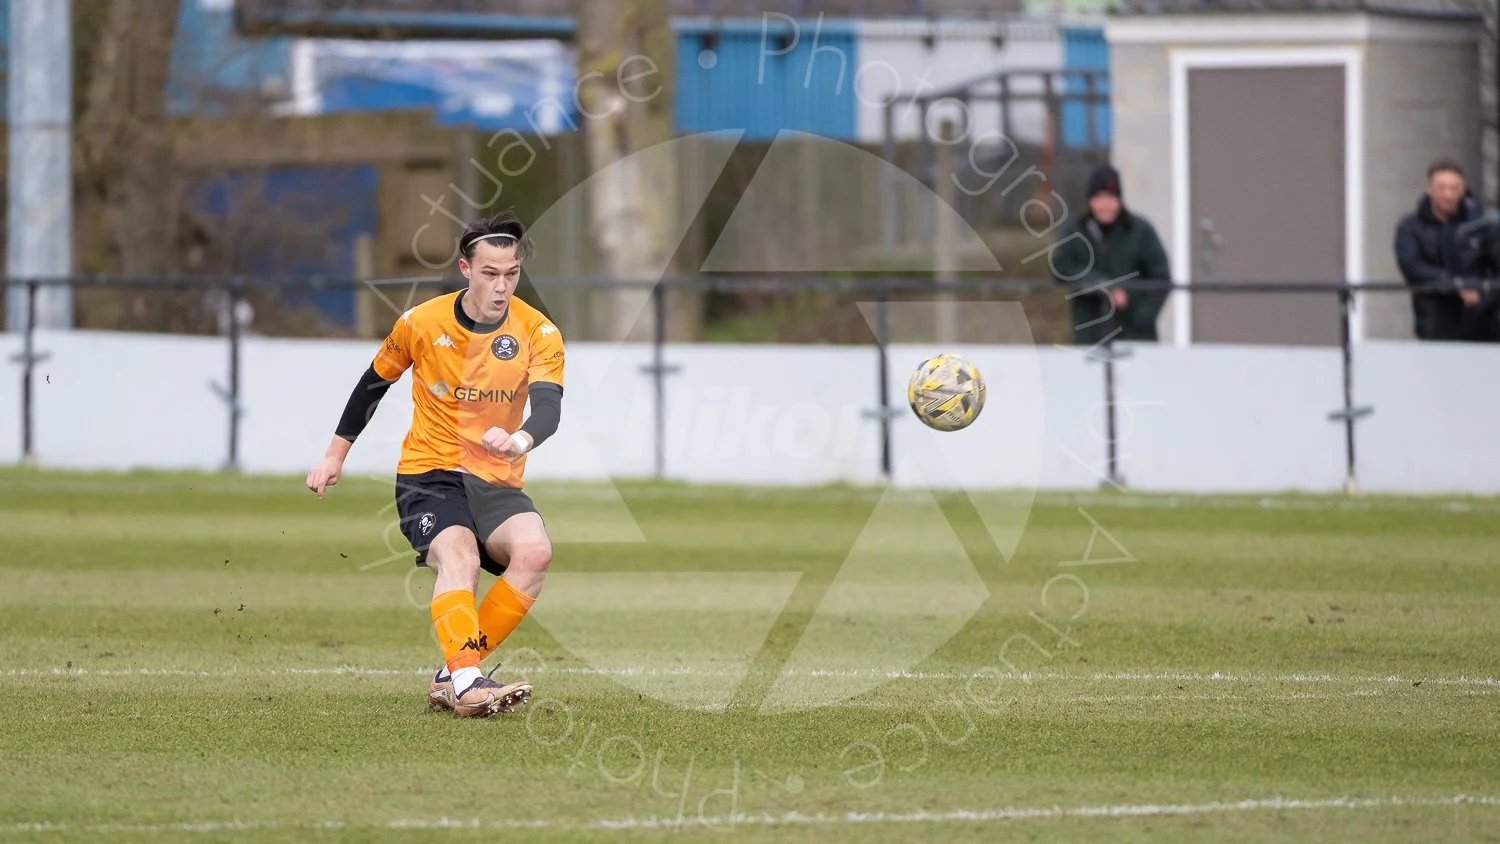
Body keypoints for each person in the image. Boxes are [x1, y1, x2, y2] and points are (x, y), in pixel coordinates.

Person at [305, 210, 564, 719]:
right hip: (430, 474)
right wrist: (335, 456)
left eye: (511, 273)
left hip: (496, 478)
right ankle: (468, 683)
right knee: (459, 556)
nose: (502, 286)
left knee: (535, 554)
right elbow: (372, 386)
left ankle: (454, 674)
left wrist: (519, 440)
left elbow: (549, 408)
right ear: (466, 269)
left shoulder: (539, 331)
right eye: (490, 273)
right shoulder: (421, 323)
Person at [1050, 165, 1172, 346]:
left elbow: (1161, 279)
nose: (1104, 205)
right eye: (1098, 198)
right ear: (1090, 200)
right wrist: (1101, 285)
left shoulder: (1141, 231)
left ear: (1119, 199)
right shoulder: (1075, 231)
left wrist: (1138, 314)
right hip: (1090, 335)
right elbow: (1060, 269)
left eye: (1110, 197)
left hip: (1136, 338)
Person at [1394, 158, 1498, 342]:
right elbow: (1412, 267)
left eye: (1454, 188)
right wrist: (1455, 284)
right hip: (1434, 323)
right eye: (1441, 188)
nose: (1448, 194)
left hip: (1481, 324)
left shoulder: (1482, 226)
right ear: (1429, 188)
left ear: (1463, 189)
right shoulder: (1411, 226)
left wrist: (1483, 294)